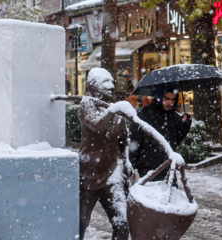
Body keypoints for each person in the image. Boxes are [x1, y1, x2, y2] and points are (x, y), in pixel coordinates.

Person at [77, 68, 133, 240]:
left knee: (122, 224)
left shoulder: (116, 111)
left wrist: (127, 161)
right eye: (105, 83)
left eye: (111, 82)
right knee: (80, 223)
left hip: (111, 174)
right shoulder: (86, 105)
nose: (110, 87)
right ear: (93, 87)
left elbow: (124, 140)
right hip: (87, 174)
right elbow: (98, 127)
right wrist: (113, 110)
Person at [129, 87, 192, 184]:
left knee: (170, 197)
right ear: (159, 97)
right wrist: (131, 165)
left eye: (172, 100)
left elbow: (175, 142)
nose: (170, 103)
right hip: (148, 168)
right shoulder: (143, 114)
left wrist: (184, 125)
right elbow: (134, 140)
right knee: (151, 197)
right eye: (166, 99)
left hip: (168, 167)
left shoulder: (173, 117)